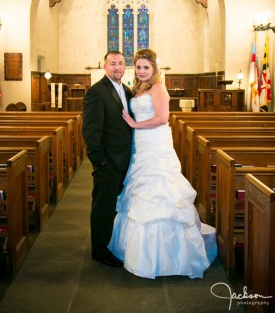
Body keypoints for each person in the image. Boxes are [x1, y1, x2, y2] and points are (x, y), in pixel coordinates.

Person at [108, 48, 217, 279]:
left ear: (154, 69)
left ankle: (170, 256)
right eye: (138, 67)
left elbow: (162, 118)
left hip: (156, 143)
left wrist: (135, 125)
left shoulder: (158, 87)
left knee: (161, 190)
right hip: (141, 145)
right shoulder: (138, 89)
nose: (142, 71)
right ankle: (139, 251)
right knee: (140, 191)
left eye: (146, 67)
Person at [82, 51, 133, 267]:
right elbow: (90, 132)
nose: (117, 67)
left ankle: (111, 243)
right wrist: (100, 161)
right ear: (105, 67)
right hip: (108, 162)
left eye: (121, 63)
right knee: (103, 207)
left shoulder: (127, 91)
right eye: (113, 63)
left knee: (116, 206)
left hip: (125, 161)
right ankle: (99, 250)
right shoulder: (96, 92)